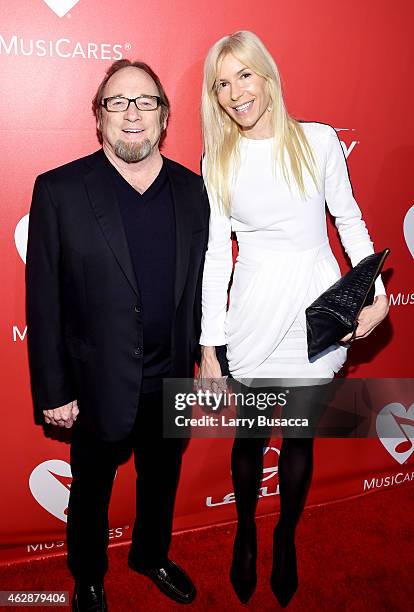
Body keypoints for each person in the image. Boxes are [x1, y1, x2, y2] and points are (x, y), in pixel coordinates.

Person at [198, 31, 389, 607]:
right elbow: (214, 257)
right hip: (255, 312)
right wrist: (209, 344)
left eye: (244, 76)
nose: (235, 93)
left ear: (267, 75)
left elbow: (348, 220)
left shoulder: (319, 141)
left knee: (301, 436)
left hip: (316, 308)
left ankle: (285, 535)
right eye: (222, 84)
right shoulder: (218, 158)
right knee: (251, 437)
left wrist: (374, 294)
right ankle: (247, 532)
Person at [26, 59, 209, 611]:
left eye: (145, 102)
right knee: (91, 492)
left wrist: (208, 359)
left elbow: (203, 286)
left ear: (164, 115)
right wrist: (53, 389)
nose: (132, 114)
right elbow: (44, 299)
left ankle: (150, 555)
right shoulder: (58, 190)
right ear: (99, 117)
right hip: (96, 380)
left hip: (172, 375)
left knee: (162, 482)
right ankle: (87, 574)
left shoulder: (194, 190)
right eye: (118, 103)